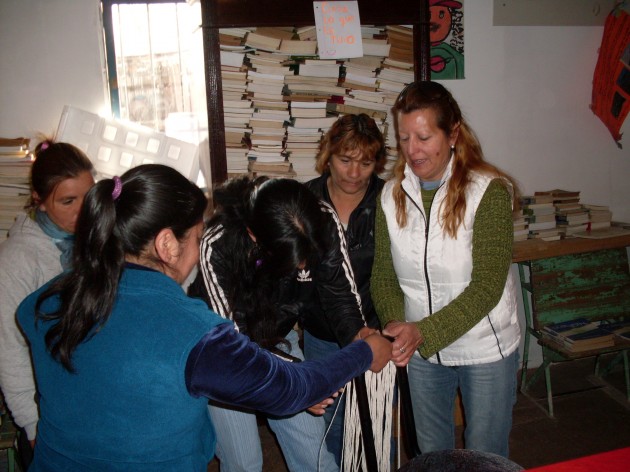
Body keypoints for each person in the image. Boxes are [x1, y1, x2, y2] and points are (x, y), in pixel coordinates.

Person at [17, 164, 392, 471]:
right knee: (243, 461)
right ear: (166, 244)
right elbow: (287, 388)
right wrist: (364, 352)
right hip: (237, 355)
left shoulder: (43, 304)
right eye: (197, 237)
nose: (200, 248)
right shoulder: (194, 333)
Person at [371, 81, 521, 458]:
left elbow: (487, 286)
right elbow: (384, 275)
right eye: (404, 138)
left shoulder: (488, 191)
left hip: (485, 349)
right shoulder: (390, 197)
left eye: (423, 137)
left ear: (452, 134)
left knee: (485, 457)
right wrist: (396, 327)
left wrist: (422, 332)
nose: (412, 150)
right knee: (432, 456)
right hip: (422, 352)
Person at [188, 175, 377, 472]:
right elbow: (232, 345)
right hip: (222, 352)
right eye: (294, 260)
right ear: (254, 236)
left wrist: (359, 335)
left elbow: (339, 292)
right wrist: (299, 381)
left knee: (314, 456)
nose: (303, 268)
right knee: (244, 463)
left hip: (278, 339)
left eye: (307, 257)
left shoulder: (321, 218)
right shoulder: (218, 243)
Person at [0, 139, 95, 467]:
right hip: (50, 406)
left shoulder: (95, 238)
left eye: (89, 196)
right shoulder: (17, 261)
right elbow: (10, 349)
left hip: (93, 393)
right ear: (39, 202)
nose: (83, 210)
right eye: (68, 201)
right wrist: (31, 423)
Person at [304, 113, 387, 464]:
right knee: (331, 429)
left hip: (376, 334)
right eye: (345, 160)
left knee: (374, 428)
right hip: (321, 335)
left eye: (366, 163)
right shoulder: (304, 200)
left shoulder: (391, 200)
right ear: (328, 155)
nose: (354, 173)